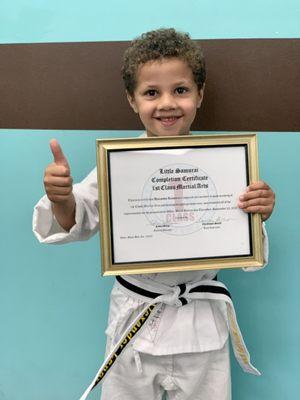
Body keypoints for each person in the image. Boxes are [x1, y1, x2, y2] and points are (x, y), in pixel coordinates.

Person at [33, 28, 275, 400]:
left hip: (202, 327)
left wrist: (258, 210)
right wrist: (61, 197)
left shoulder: (227, 167)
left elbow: (245, 246)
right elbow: (76, 217)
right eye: (151, 93)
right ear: (132, 100)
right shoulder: (117, 165)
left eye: (180, 90)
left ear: (200, 95)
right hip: (135, 322)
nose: (167, 103)